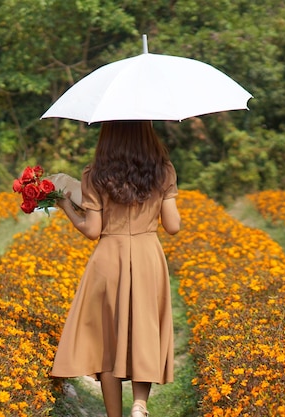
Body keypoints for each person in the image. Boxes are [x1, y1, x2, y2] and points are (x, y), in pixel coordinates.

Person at [51, 120, 181, 417]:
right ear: (147, 133)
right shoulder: (163, 170)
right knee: (144, 332)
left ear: (107, 134)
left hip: (109, 258)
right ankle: (140, 404)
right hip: (148, 256)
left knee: (107, 342)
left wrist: (66, 206)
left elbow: (92, 230)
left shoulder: (95, 174)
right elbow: (172, 226)